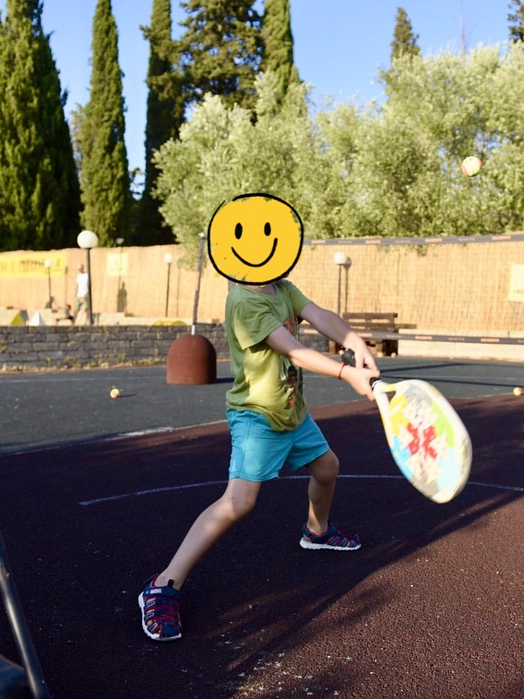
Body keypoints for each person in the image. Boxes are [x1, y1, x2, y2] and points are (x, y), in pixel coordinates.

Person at [138, 194, 380, 643]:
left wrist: (354, 340)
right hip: (257, 418)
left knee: (327, 467)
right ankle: (163, 585)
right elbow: (295, 349)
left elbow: (318, 314)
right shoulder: (243, 304)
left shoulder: (281, 286)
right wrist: (348, 372)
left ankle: (317, 531)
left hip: (292, 412)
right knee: (238, 503)